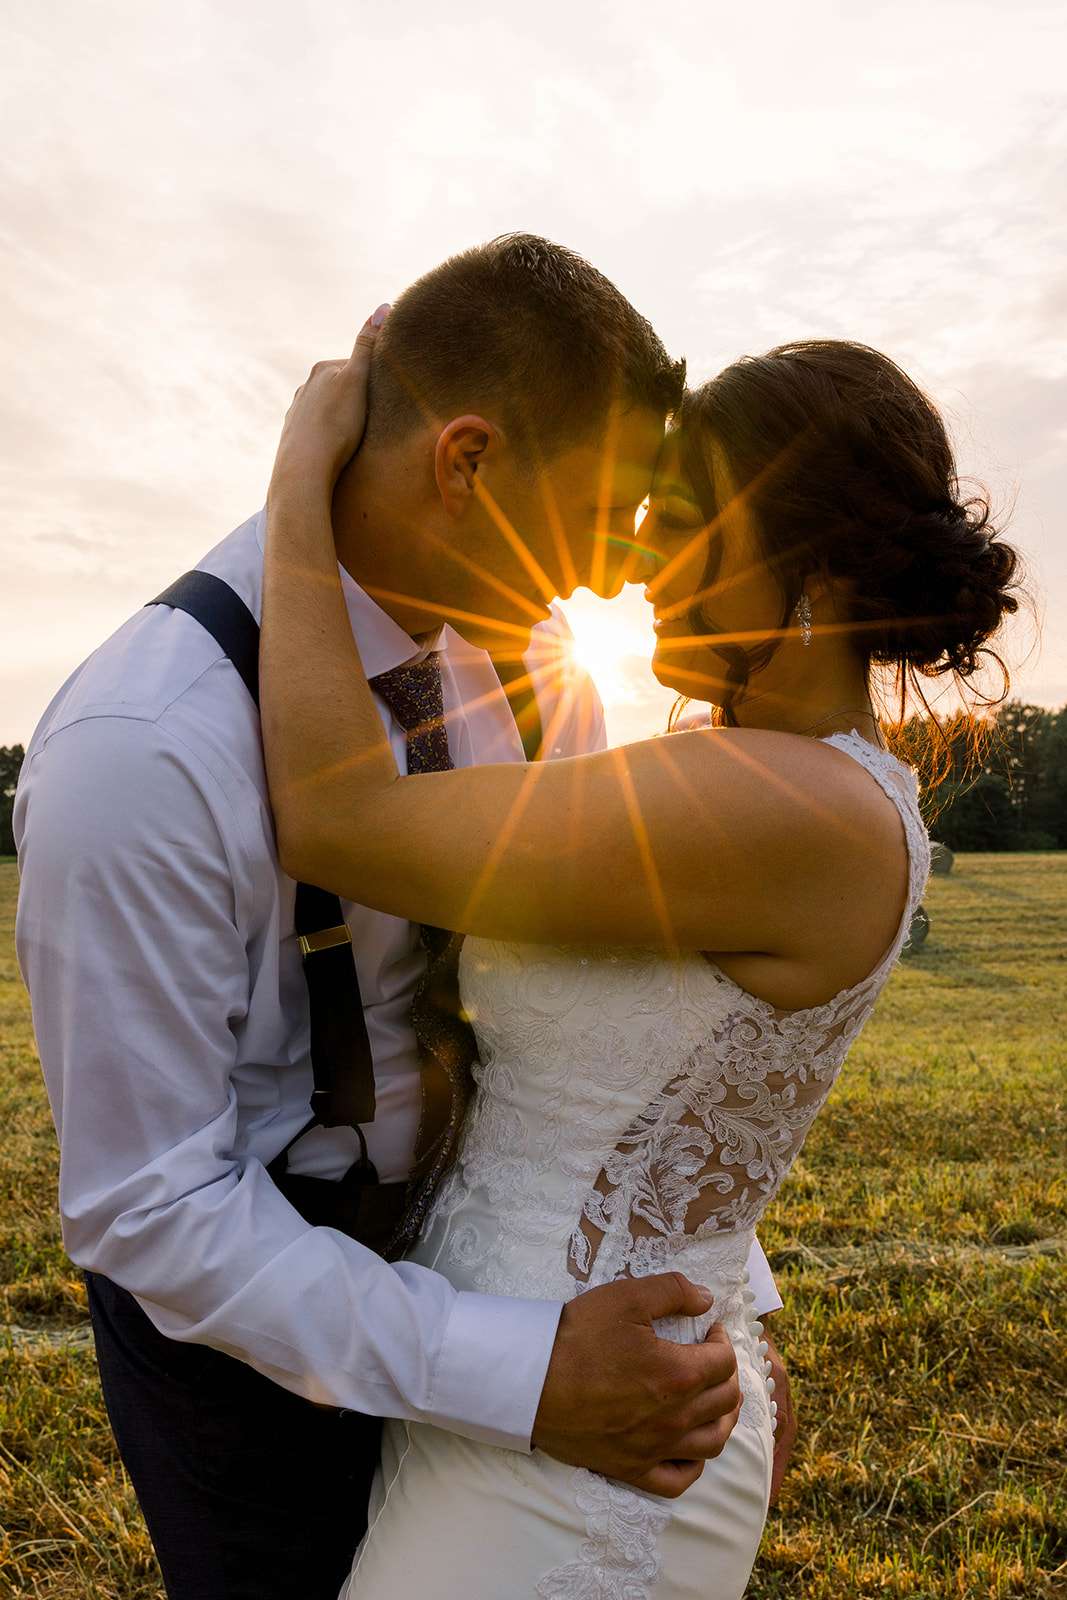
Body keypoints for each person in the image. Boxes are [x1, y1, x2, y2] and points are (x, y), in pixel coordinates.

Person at [13, 235, 787, 1600]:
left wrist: (705, 1284)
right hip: (242, 1331)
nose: (608, 583)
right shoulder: (145, 744)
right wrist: (517, 1375)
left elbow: (589, 1020)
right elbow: (152, 1208)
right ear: (468, 462)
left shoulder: (550, 678)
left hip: (495, 1251)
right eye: (594, 516)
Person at [258, 320, 1019, 1599]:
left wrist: (295, 487)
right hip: (559, 1392)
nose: (638, 572)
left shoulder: (786, 809)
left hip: (575, 1458)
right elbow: (684, 1091)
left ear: (810, 564)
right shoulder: (777, 789)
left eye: (684, 525)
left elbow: (339, 821)